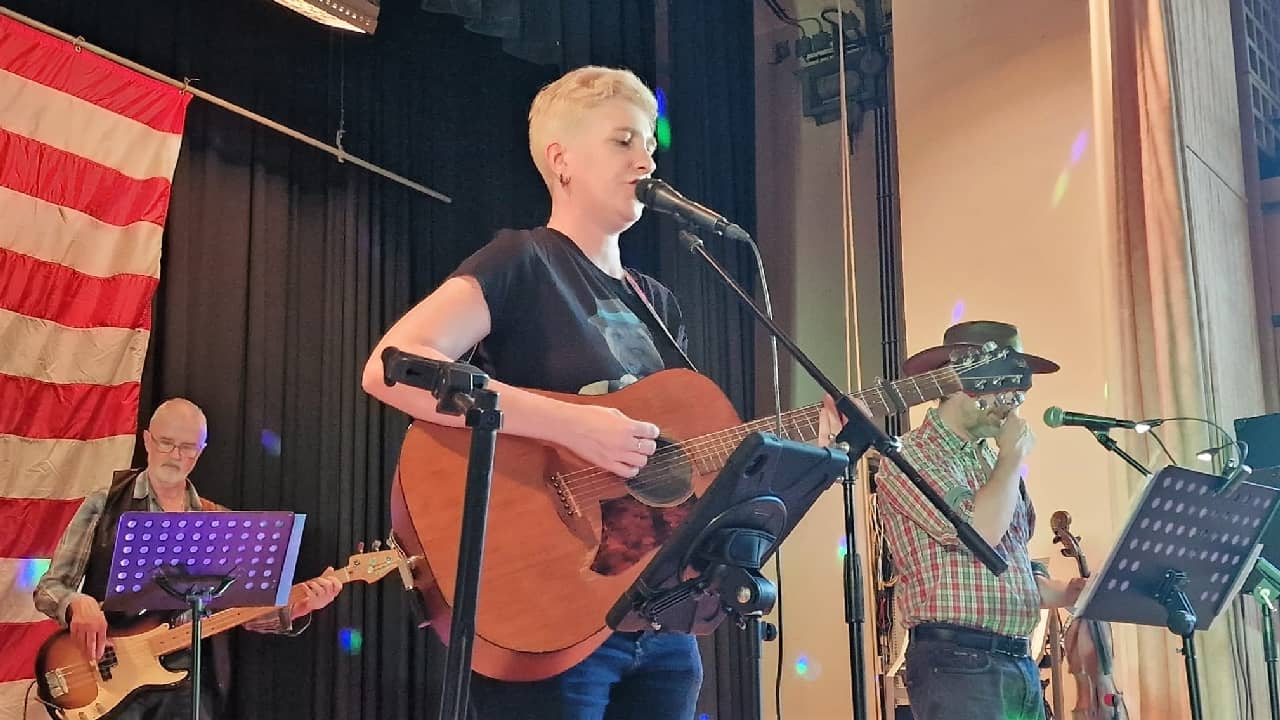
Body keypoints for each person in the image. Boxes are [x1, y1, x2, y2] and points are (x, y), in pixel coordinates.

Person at [362, 65, 706, 720]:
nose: (646, 160)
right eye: (623, 141)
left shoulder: (656, 303)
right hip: (549, 610)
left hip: (657, 619)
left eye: (650, 148)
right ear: (562, 159)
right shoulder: (523, 260)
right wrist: (573, 427)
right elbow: (390, 365)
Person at [33, 397, 343, 720]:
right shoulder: (103, 504)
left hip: (189, 685)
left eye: (187, 447)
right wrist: (75, 604)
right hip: (110, 676)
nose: (175, 456)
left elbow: (242, 611)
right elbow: (49, 588)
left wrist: (296, 607)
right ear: (147, 440)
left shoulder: (219, 521)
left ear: (201, 451)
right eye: (166, 443)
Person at [875, 321, 1086, 720]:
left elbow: (1008, 561)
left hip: (1017, 662)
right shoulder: (914, 456)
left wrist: (1060, 594)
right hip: (958, 661)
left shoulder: (989, 458)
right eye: (1003, 388)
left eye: (1019, 391)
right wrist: (1011, 460)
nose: (1014, 403)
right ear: (958, 382)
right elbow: (980, 533)